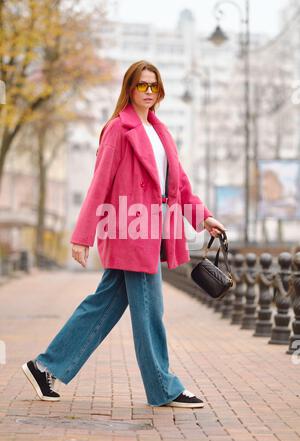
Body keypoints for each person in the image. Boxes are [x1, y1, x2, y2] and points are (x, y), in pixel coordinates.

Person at [22, 60, 226, 408]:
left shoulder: (161, 132)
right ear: (129, 89)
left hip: (153, 230)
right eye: (141, 85)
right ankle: (164, 386)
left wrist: (202, 217)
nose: (148, 92)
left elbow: (177, 187)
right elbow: (99, 183)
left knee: (102, 305)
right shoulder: (118, 129)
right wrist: (83, 235)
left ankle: (45, 367)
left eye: (153, 86)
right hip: (129, 232)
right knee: (150, 311)